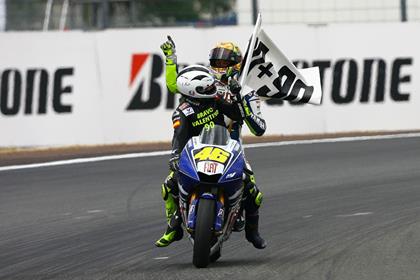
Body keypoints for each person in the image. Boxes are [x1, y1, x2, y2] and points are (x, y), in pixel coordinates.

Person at [155, 37, 266, 249]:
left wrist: (240, 99)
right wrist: (171, 59)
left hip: (232, 147)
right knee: (170, 184)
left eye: (224, 63)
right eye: (216, 62)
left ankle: (253, 233)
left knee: (253, 189)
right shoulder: (205, 83)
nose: (219, 67)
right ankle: (174, 224)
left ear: (236, 64)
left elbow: (259, 128)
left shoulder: (247, 92)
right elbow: (175, 85)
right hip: (199, 145)